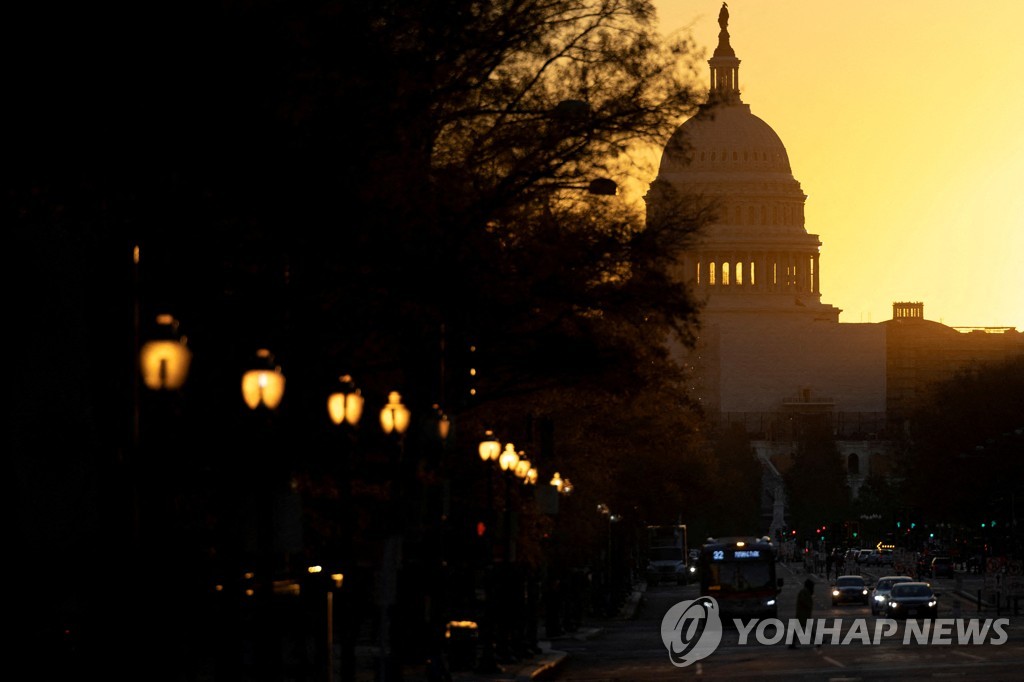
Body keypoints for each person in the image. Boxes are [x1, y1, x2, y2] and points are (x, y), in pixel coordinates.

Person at [789, 578, 815, 649]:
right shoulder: (804, 592)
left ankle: (791, 644)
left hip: (804, 614)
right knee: (806, 628)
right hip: (802, 614)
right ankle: (817, 641)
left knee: (800, 629)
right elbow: (804, 601)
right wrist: (808, 605)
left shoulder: (805, 592)